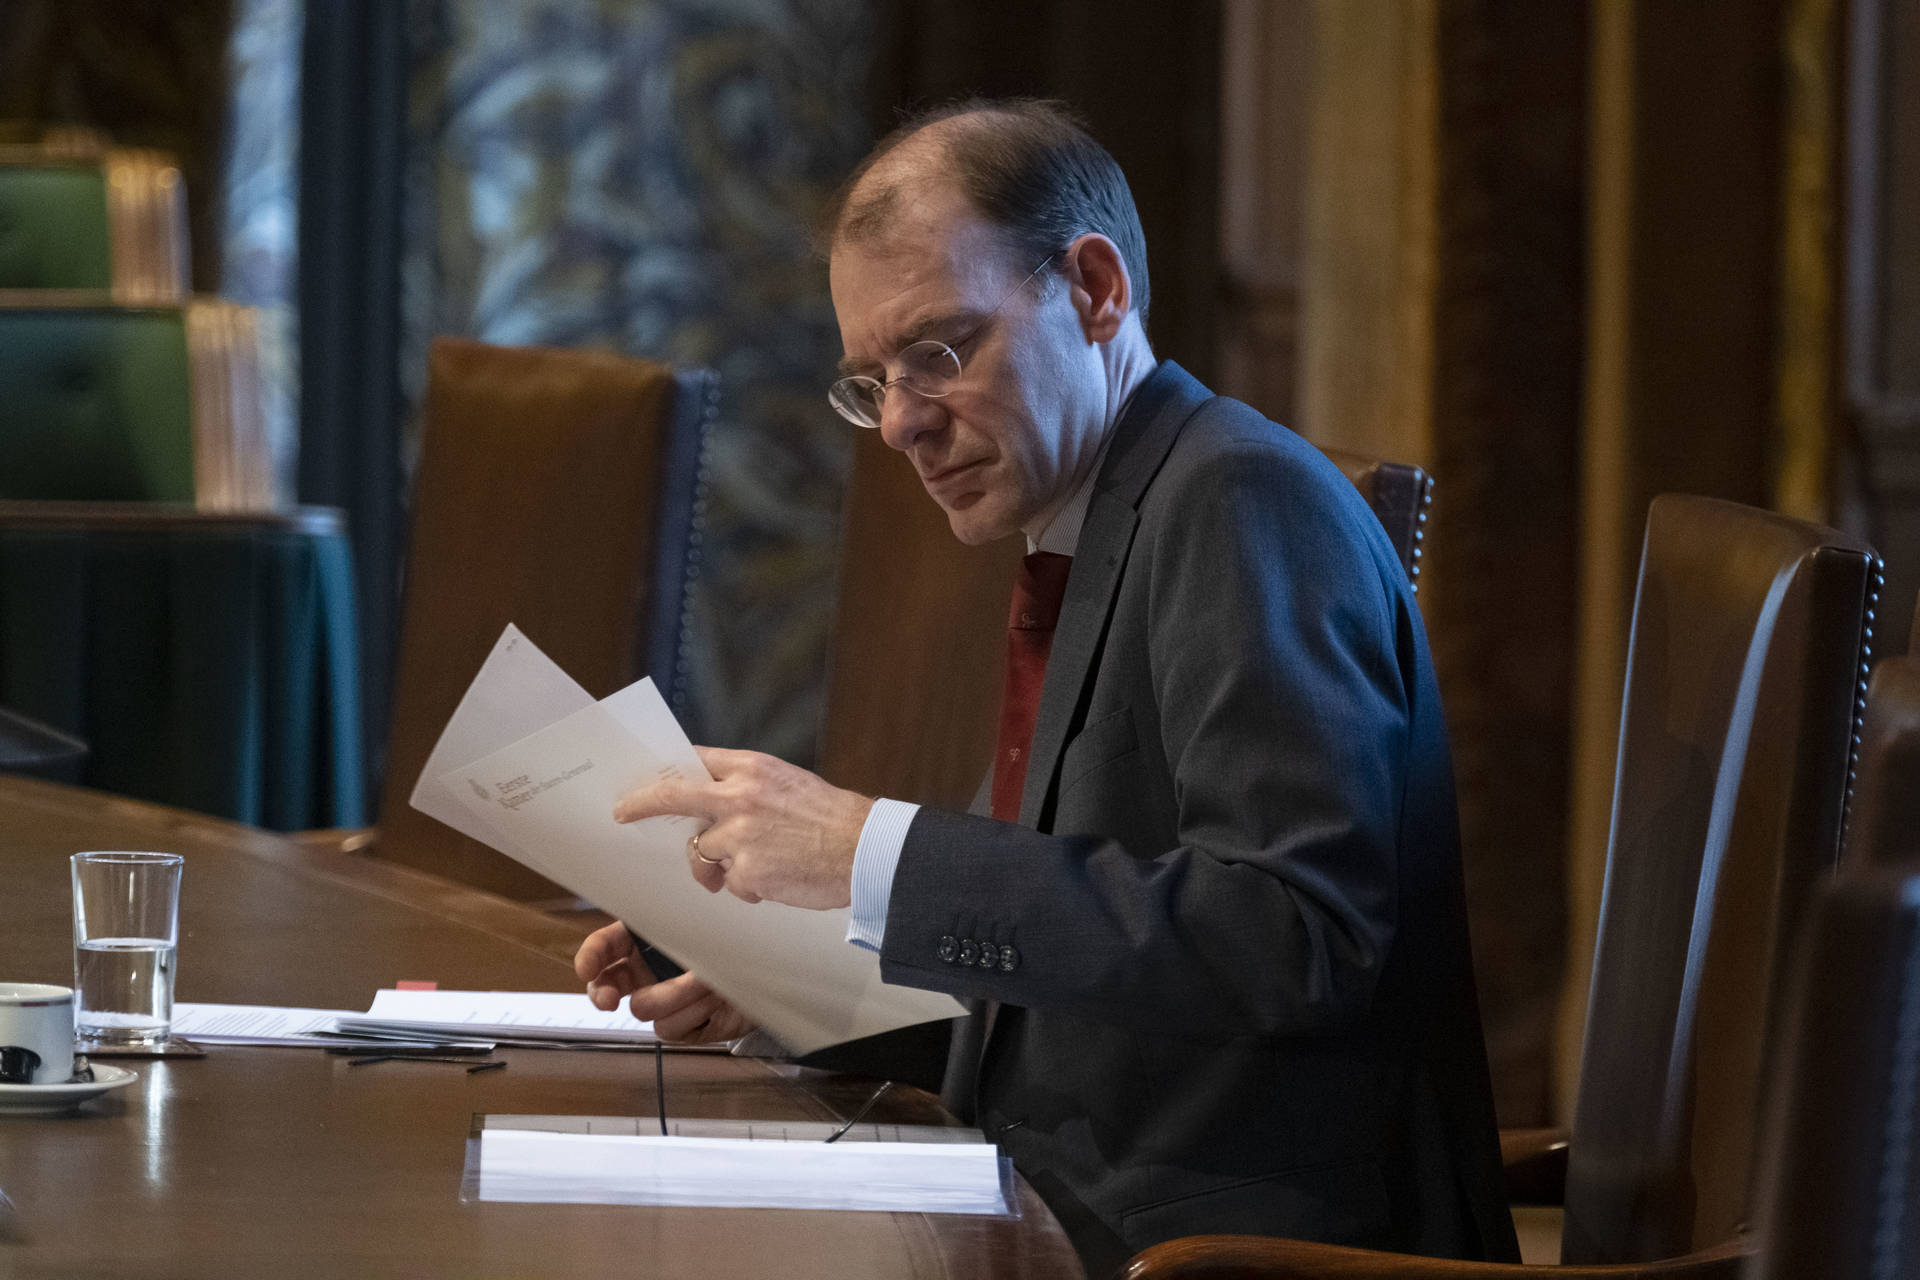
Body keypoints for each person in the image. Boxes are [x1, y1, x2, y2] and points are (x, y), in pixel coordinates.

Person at [573, 98, 1519, 1273]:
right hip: (1079, 1202)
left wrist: (875, 849)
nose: (903, 424)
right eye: (873, 380)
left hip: (1228, 1245)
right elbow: (1079, 962)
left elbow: (1298, 935)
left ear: (1095, 289)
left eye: (939, 350)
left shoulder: (1237, 501)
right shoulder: (1098, 514)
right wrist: (793, 982)